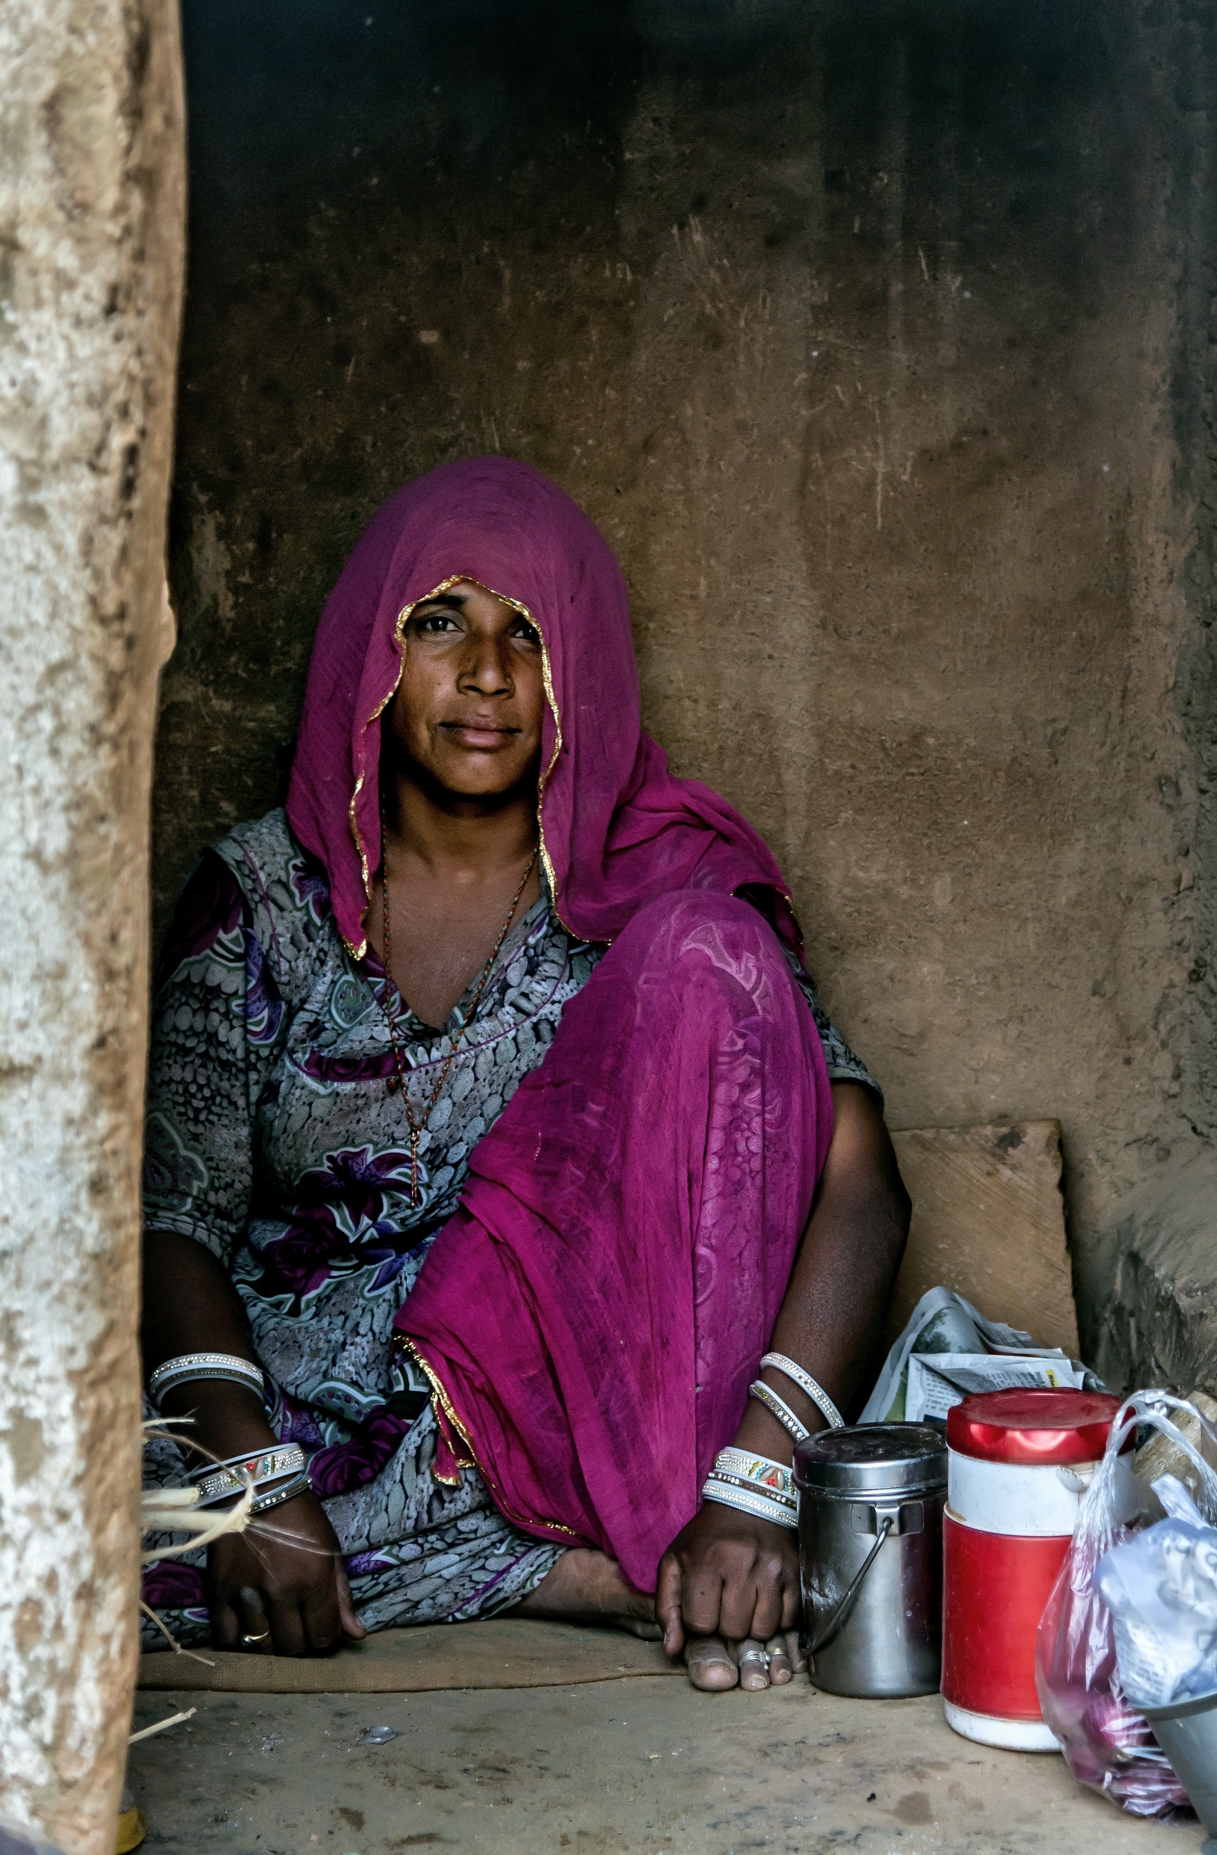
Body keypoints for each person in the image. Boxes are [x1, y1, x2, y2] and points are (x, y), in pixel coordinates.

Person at [141, 457, 909, 1692]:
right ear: (372, 657)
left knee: (718, 951)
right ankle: (579, 1571)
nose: (487, 673)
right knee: (67, 1537)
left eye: (530, 635)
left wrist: (762, 1481)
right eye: (438, 622)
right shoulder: (262, 901)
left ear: (582, 671)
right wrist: (249, 1480)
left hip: (578, 1412)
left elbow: (861, 1185)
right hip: (300, 1411)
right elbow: (173, 1218)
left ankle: (650, 1533)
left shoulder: (657, 887)